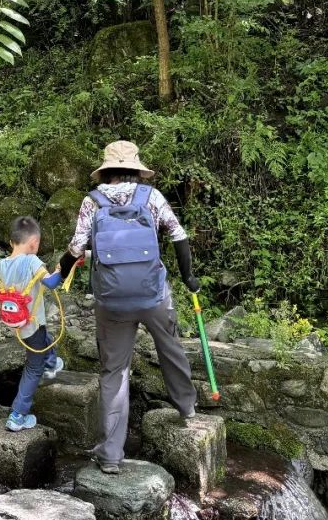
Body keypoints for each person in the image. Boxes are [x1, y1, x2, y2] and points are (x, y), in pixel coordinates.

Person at [53, 140, 200, 474]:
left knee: (114, 372)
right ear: (136, 168)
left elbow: (76, 249)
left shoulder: (93, 201)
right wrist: (189, 277)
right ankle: (187, 408)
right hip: (153, 296)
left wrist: (58, 274)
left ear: (106, 171)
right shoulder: (152, 197)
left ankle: (110, 456)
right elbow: (178, 236)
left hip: (112, 302)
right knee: (171, 349)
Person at [0, 216, 65, 432]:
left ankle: (52, 362)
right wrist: (62, 270)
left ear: (11, 242)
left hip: (16, 323)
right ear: (34, 243)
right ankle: (18, 415)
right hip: (31, 324)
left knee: (45, 339)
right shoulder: (32, 261)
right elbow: (52, 283)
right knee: (33, 367)